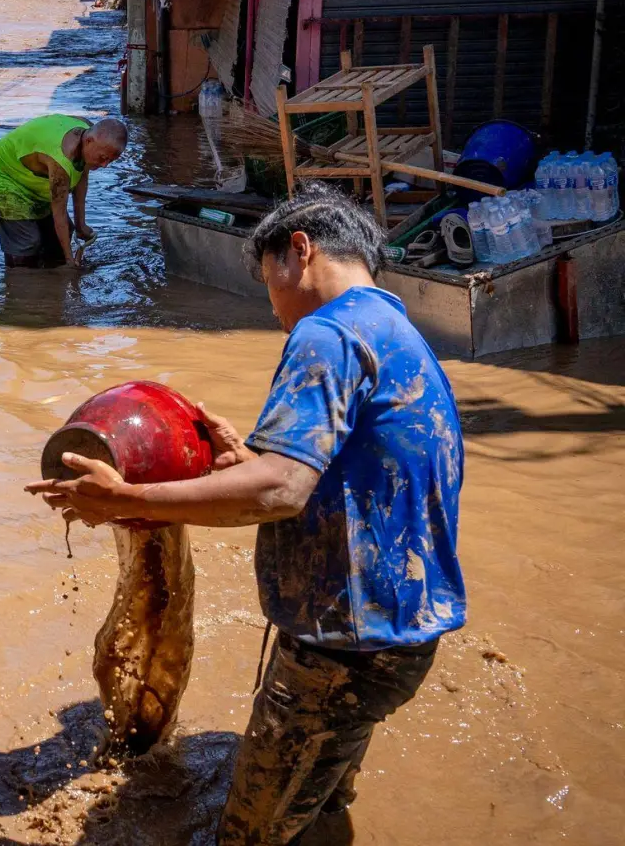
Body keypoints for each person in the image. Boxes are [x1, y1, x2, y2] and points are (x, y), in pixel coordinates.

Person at [27, 185, 466, 844]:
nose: (276, 312)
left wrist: (127, 500)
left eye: (269, 287)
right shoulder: (395, 331)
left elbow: (281, 491)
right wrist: (247, 460)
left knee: (249, 834)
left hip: (341, 650)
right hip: (399, 635)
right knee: (316, 803)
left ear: (301, 250)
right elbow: (349, 474)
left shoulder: (328, 331)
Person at [0, 115, 127, 269]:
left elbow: (81, 176)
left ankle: (51, 276)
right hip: (4, 174)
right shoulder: (61, 161)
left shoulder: (88, 131)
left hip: (35, 176)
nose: (105, 165)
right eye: (103, 158)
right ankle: (18, 282)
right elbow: (59, 214)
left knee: (58, 238)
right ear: (89, 141)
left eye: (110, 161)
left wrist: (80, 225)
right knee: (27, 243)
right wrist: (69, 261)